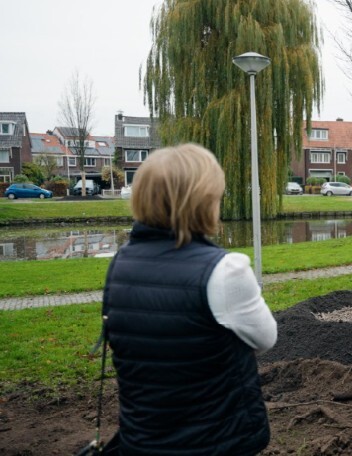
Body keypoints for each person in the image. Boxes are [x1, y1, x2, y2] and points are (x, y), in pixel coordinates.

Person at [102, 144, 277, 455]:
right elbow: (265, 338)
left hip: (143, 440)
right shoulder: (225, 271)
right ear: (203, 201)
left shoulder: (120, 264)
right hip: (215, 441)